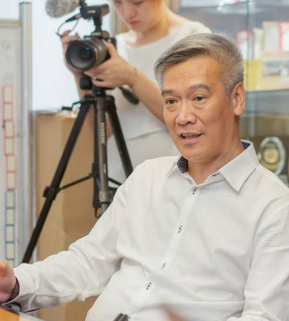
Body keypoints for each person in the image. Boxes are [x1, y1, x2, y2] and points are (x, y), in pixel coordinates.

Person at [0, 34, 289, 321]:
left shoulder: (274, 207)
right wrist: (15, 284)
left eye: (198, 98)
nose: (182, 117)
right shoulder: (147, 177)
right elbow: (87, 263)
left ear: (237, 98)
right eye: (171, 101)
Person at [61, 0, 210, 184]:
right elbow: (102, 131)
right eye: (118, 3)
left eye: (137, 2)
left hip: (175, 179)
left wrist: (133, 78)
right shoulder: (113, 47)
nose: (127, 13)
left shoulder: (193, 37)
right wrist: (79, 74)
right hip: (118, 181)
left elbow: (194, 117)